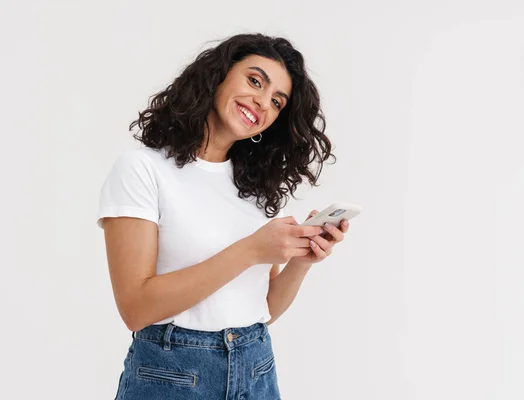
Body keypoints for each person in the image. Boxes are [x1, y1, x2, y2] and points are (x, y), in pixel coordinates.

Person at [96, 33, 351, 400]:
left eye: (277, 101)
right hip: (172, 377)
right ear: (218, 75)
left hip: (256, 367)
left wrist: (301, 262)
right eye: (254, 81)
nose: (262, 102)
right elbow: (135, 309)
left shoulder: (256, 186)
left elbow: (260, 308)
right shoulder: (142, 169)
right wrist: (251, 250)